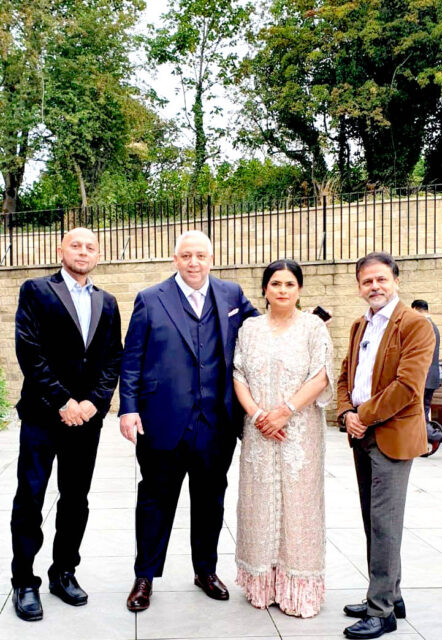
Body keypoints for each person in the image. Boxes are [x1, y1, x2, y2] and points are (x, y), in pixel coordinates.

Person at [119, 229, 258, 612]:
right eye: (186, 256)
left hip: (216, 423)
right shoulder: (150, 299)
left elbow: (262, 330)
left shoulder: (231, 295)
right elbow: (132, 358)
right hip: (161, 420)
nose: (193, 262)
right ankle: (145, 577)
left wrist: (303, 322)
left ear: (212, 258)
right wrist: (128, 408)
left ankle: (205, 570)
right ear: (175, 259)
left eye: (200, 255)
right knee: (155, 501)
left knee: (210, 501)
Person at [11, 228, 122, 622]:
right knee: (31, 498)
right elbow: (29, 350)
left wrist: (94, 403)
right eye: (76, 245)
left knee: (76, 499)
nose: (83, 252)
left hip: (85, 421)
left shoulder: (107, 302)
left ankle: (63, 572)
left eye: (90, 247)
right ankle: (24, 581)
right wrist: (63, 400)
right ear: (61, 249)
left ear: (98, 255)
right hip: (43, 416)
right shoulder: (37, 290)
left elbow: (113, 358)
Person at [337, 252, 435, 640]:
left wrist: (363, 415)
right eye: (367, 281)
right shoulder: (360, 325)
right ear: (359, 287)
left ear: (396, 280)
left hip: (391, 435)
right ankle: (390, 596)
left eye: (381, 279)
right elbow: (346, 375)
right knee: (375, 521)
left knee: (385, 524)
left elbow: (408, 386)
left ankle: (382, 613)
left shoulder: (414, 324)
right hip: (362, 435)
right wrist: (346, 413)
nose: (374, 286)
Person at [233, 259, 333, 618]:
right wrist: (259, 416)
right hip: (259, 432)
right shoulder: (249, 328)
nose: (282, 290)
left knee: (300, 507)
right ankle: (262, 584)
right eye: (275, 283)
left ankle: (298, 589)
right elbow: (239, 374)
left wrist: (285, 411)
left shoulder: (313, 327)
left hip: (299, 434)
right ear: (265, 289)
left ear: (299, 289)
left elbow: (321, 376)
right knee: (258, 504)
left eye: (290, 284)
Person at [411, 299, 442, 445]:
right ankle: (423, 440)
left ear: (414, 309)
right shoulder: (433, 326)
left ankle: (432, 436)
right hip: (431, 377)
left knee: (416, 410)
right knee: (423, 409)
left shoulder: (423, 325)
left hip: (423, 376)